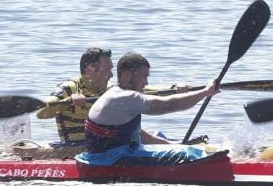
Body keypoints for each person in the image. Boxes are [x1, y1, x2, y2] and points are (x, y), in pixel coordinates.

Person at [77, 52, 220, 165]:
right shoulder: (126, 97)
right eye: (143, 76)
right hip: (110, 160)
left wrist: (170, 145)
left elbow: (138, 134)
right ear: (126, 75)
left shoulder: (116, 93)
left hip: (116, 154)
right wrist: (206, 91)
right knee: (188, 153)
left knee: (164, 138)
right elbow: (171, 105)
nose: (146, 82)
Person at [36, 47, 114, 145]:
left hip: (106, 148)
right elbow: (40, 113)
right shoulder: (68, 89)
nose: (111, 75)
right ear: (90, 70)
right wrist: (69, 101)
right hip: (73, 149)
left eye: (111, 70)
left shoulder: (111, 90)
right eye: (106, 70)